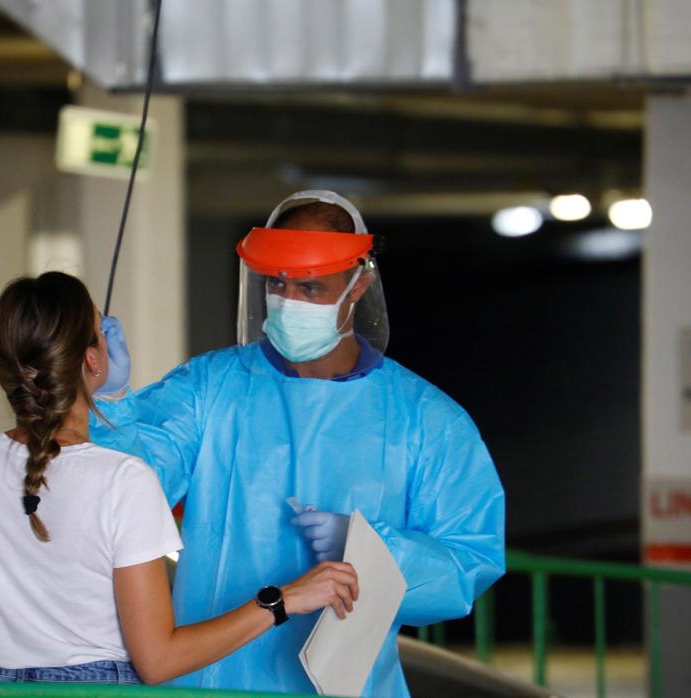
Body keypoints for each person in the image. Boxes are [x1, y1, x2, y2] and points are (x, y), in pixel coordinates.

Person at [92, 191, 506, 696]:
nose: (289, 303)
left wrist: (373, 552)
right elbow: (122, 491)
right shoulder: (208, 388)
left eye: (310, 287)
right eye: (278, 284)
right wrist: (109, 403)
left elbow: (467, 564)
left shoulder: (426, 420)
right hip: (208, 681)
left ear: (359, 284)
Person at [0, 271, 358, 685]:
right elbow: (158, 660)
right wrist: (283, 601)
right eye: (100, 328)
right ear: (93, 361)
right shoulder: (124, 479)